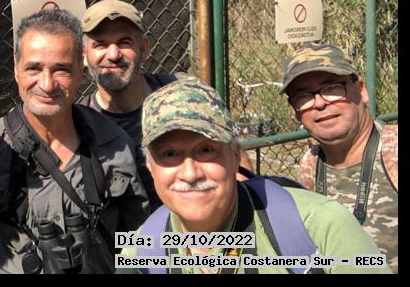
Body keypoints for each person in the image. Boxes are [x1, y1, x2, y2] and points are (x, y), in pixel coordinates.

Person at [0, 8, 149, 274]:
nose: (47, 84)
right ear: (16, 69)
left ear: (80, 69)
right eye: (33, 68)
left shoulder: (113, 143)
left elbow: (141, 247)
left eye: (61, 70)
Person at [118, 79, 391, 274]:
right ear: (150, 166)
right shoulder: (142, 251)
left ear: (235, 156)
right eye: (169, 155)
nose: (190, 174)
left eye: (206, 150)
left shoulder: (319, 226)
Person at [282, 43, 398, 272]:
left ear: (361, 90)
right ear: (295, 110)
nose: (319, 103)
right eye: (303, 96)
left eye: (332, 88)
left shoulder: (393, 151)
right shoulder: (310, 164)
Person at [77, 0, 178, 211]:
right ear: (84, 56)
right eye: (100, 44)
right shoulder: (79, 127)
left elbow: (232, 165)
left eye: (124, 42)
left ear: (143, 49)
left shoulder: (181, 96)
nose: (113, 55)